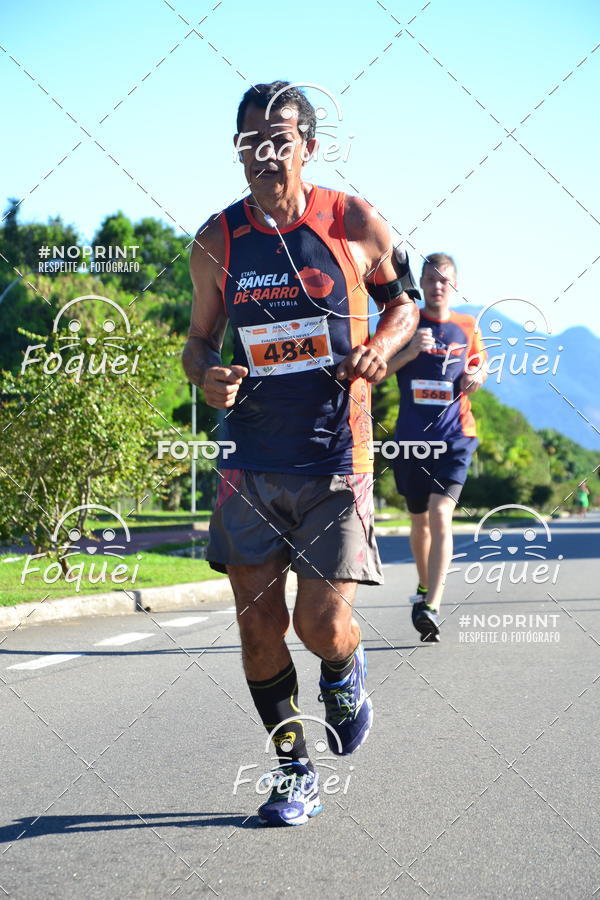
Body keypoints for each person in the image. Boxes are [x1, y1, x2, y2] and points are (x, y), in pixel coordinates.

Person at [182, 81, 419, 826]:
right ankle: (294, 774)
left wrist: (383, 346)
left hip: (334, 456)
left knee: (321, 625)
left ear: (308, 148)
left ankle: (344, 670)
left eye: (278, 140)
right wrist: (207, 377)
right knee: (258, 626)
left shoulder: (352, 220)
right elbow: (196, 344)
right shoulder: (218, 241)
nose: (264, 154)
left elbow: (404, 301)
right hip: (250, 458)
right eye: (250, 142)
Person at [385, 253, 487, 642]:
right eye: (431, 279)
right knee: (419, 520)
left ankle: (432, 605)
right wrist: (410, 351)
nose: (438, 286)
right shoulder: (405, 321)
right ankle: (425, 587)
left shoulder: (466, 325)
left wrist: (477, 374)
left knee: (440, 513)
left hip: (456, 436)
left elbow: (481, 364)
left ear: (454, 285)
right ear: (422, 283)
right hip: (411, 441)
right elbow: (376, 372)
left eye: (445, 280)